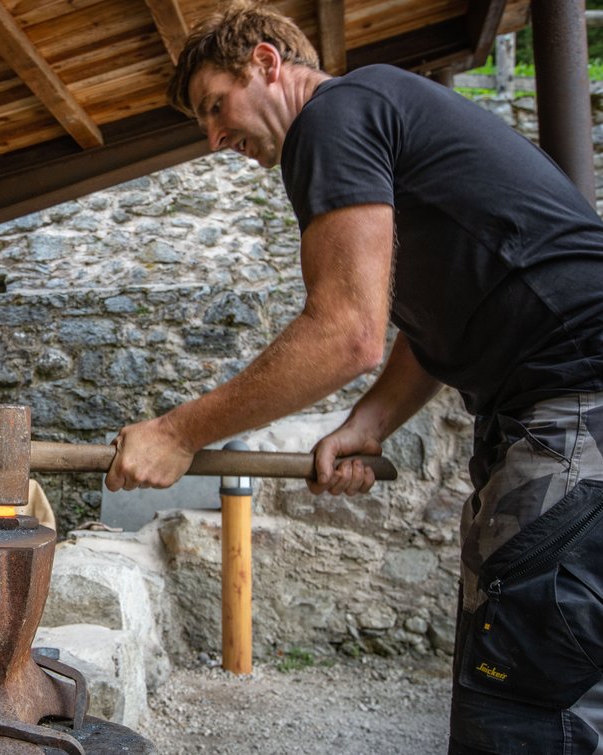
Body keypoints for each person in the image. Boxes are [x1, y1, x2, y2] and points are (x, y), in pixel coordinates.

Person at [106, 2, 603, 752]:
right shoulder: (378, 117)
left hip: (577, 403)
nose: (215, 138)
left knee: (521, 710)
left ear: (267, 63)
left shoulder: (333, 117)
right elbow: (434, 319)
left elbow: (344, 333)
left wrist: (176, 433)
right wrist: (366, 425)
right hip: (559, 402)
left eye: (216, 106)